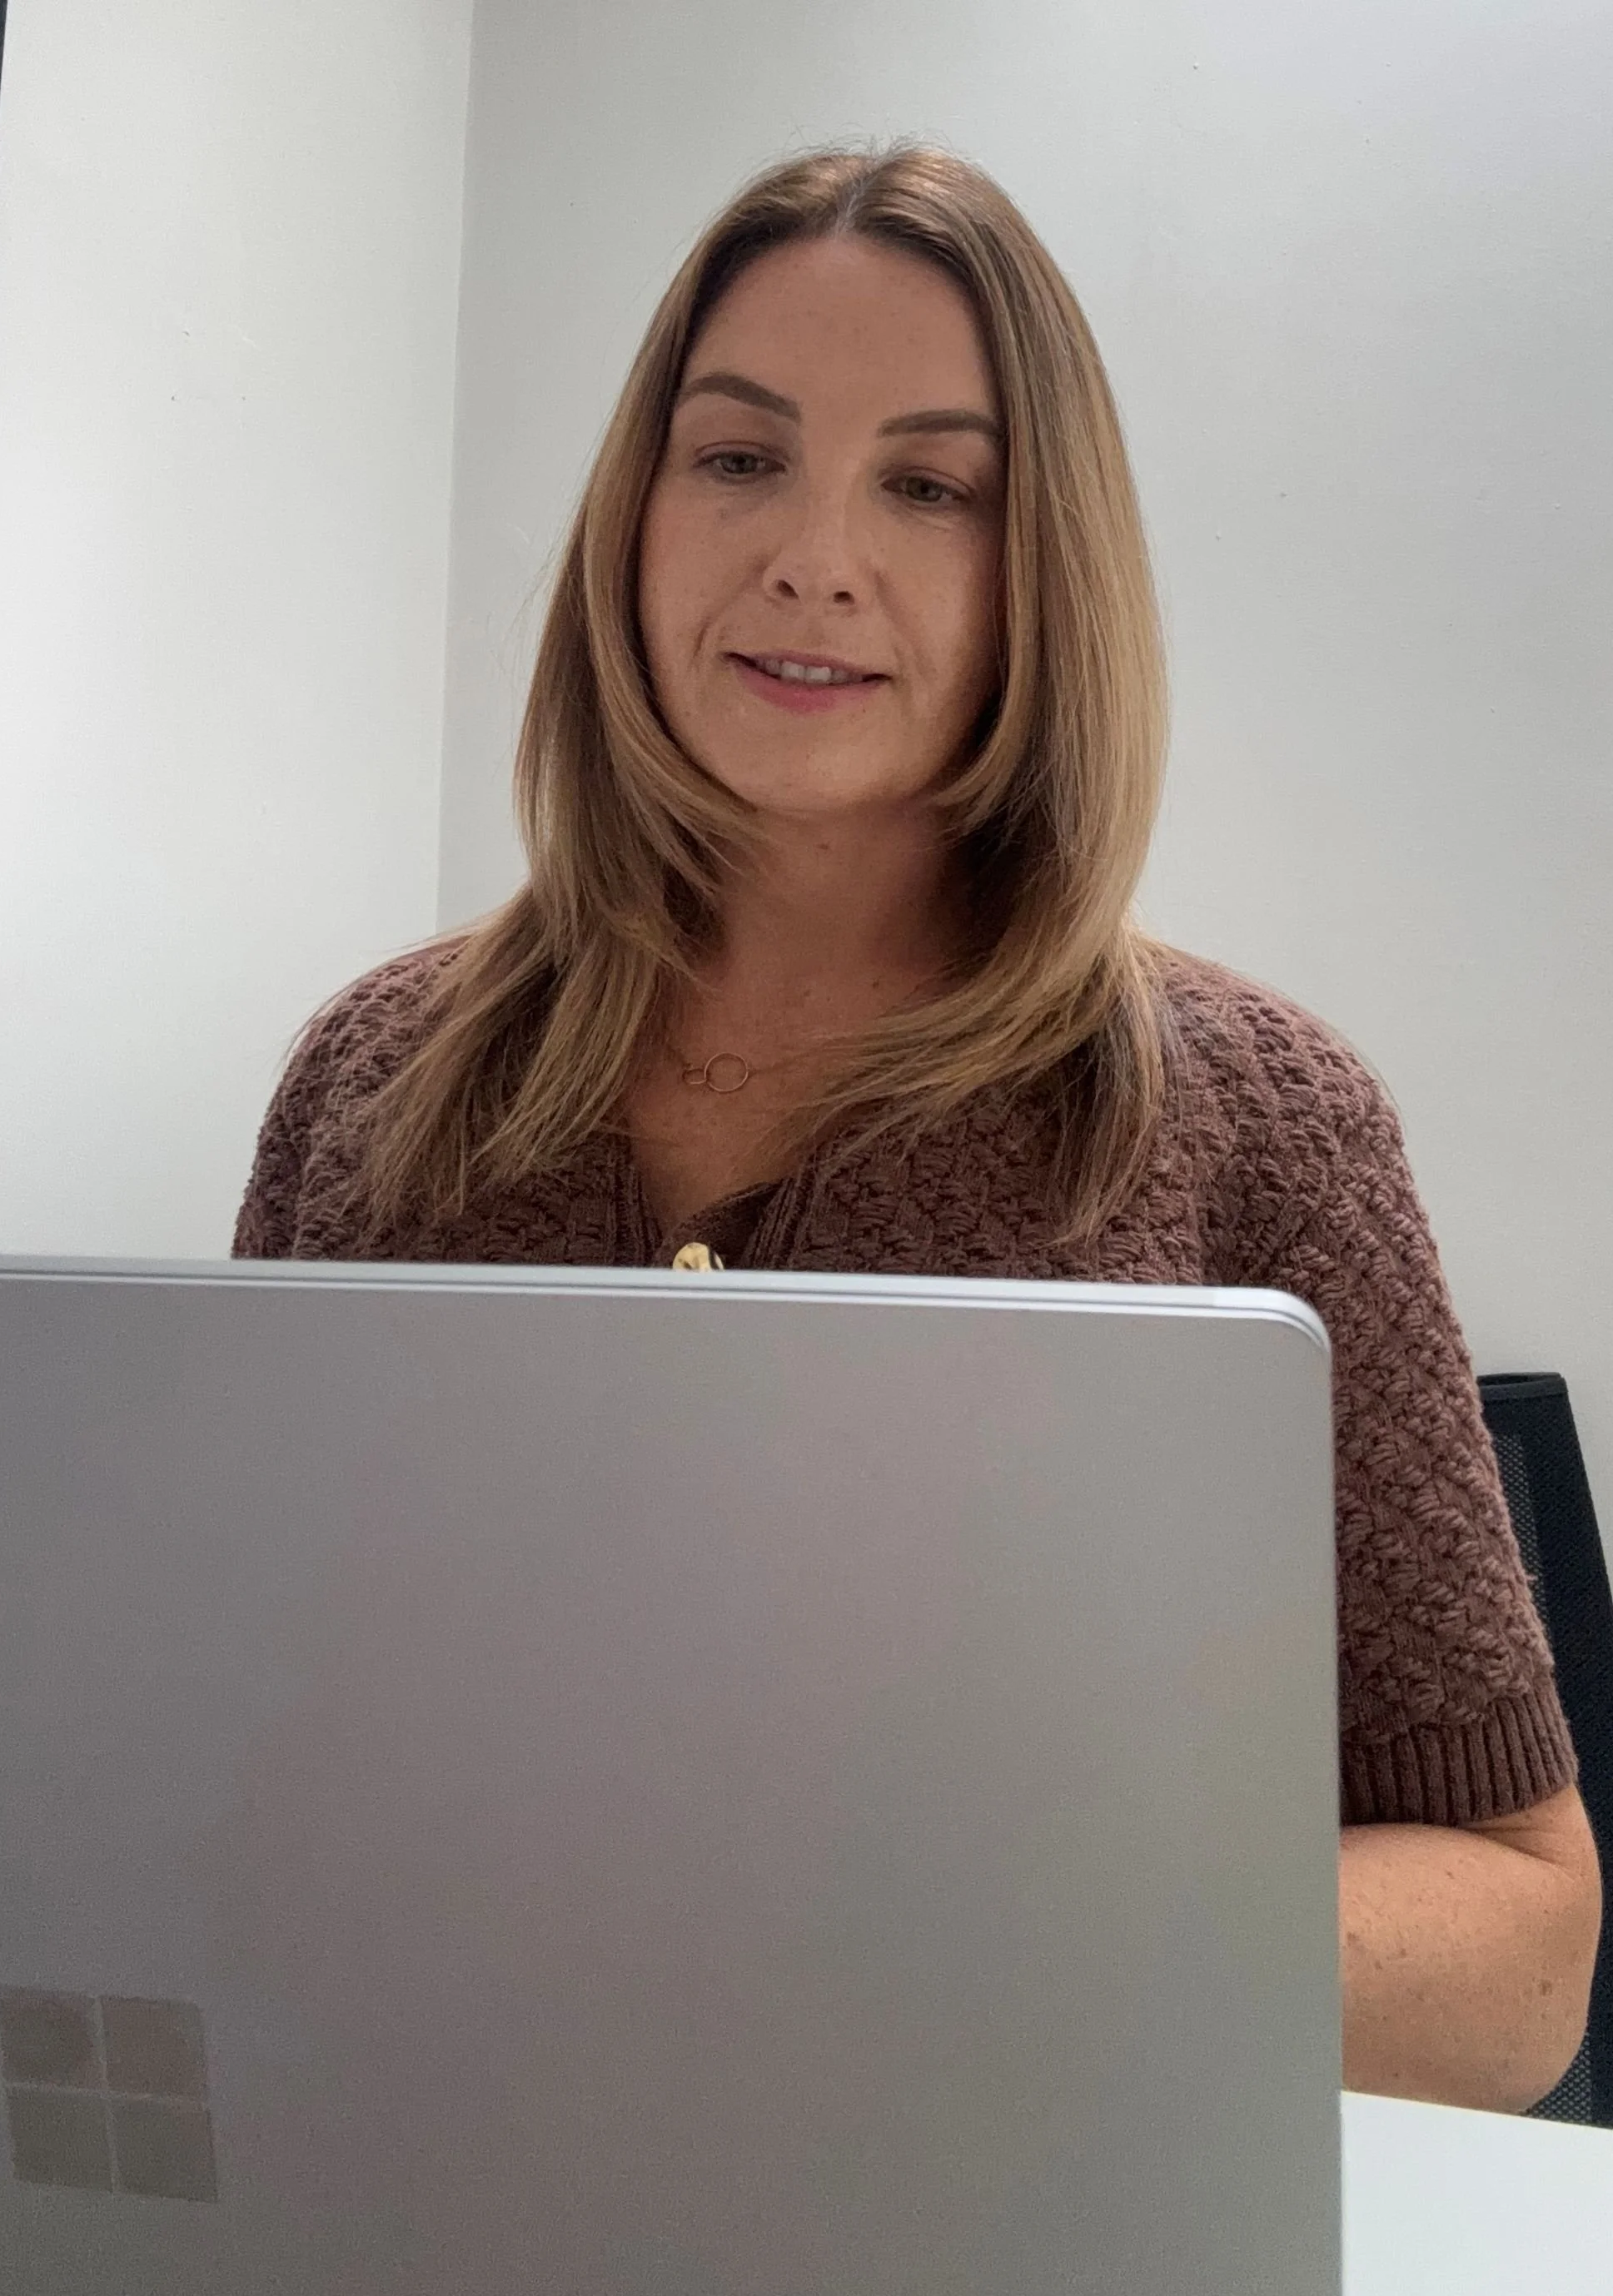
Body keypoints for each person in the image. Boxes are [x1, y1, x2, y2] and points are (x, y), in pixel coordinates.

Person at [235, 142, 1601, 2113]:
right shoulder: (375, 1077)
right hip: (414, 2199)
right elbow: (225, 1755)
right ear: (637, 507)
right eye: (737, 456)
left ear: (1041, 561)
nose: (814, 555)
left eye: (930, 484)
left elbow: (1523, 1946)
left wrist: (990, 1942)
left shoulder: (1264, 1125)